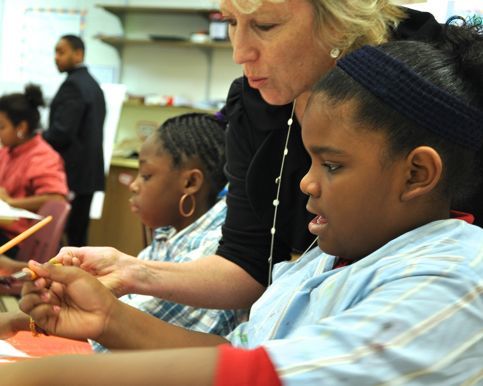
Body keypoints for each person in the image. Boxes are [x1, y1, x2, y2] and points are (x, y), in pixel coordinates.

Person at [4, 18, 483, 385]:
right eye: (309, 163)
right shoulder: (327, 259)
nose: (306, 185)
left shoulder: (455, 280)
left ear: (417, 173)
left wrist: (30, 377)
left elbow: (254, 377)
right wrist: (109, 320)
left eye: (332, 166)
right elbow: (239, 351)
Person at [51, 0, 457, 312]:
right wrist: (131, 272)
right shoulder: (255, 101)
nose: (240, 51)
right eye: (230, 22)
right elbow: (248, 265)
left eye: (265, 25)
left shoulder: (430, 83)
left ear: (337, 16)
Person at [0, 113, 245, 345]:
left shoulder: (213, 250)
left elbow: (126, 326)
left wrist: (17, 321)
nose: (134, 186)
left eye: (146, 176)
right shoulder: (168, 236)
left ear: (190, 182)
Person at [42, 34, 106, 247]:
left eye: (61, 52)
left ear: (78, 54)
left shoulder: (73, 86)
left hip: (74, 175)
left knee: (69, 238)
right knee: (78, 234)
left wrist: (35, 139)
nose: (56, 57)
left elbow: (62, 132)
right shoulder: (92, 84)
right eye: (55, 52)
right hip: (87, 173)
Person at [0, 84, 68, 267]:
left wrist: (12, 203)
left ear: (21, 127)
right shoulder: (8, 151)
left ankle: (13, 267)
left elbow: (57, 198)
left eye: (1, 127)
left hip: (19, 240)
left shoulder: (42, 156)